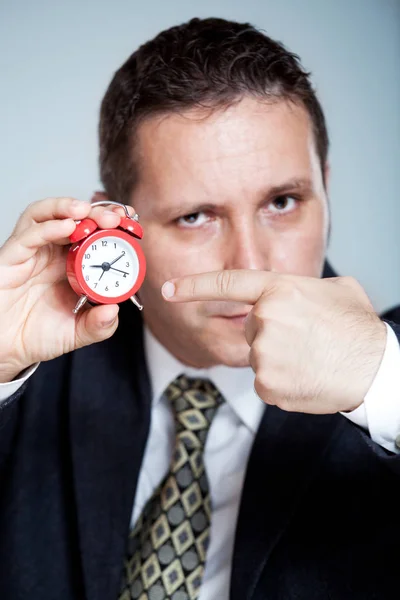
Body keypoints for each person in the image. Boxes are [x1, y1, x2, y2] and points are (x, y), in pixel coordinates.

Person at [0, 17, 399, 600]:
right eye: (195, 217)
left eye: (283, 202)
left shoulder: (393, 379)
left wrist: (383, 383)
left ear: (325, 191)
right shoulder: (27, 382)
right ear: (112, 225)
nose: (252, 260)